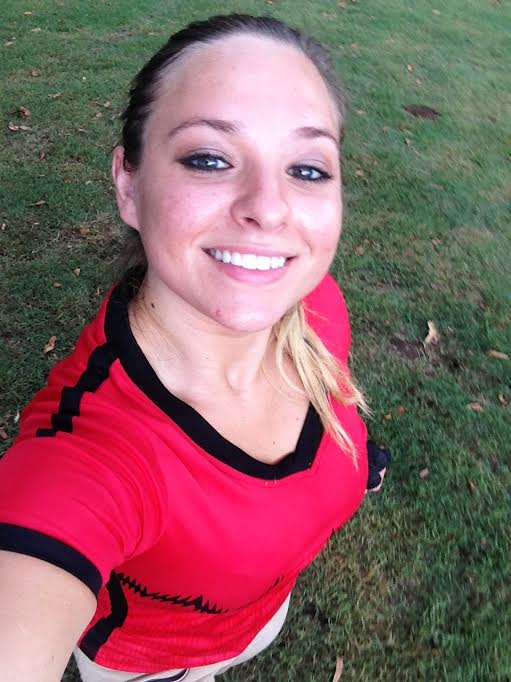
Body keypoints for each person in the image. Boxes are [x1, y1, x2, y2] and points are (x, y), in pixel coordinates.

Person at [0, 14, 389, 682]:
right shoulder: (90, 455)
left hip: (259, 619)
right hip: (152, 665)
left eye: (306, 168)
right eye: (209, 159)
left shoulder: (317, 306)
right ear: (128, 184)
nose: (269, 208)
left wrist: (355, 458)